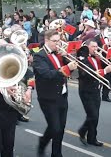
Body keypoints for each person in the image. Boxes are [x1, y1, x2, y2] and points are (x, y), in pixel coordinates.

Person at [32, 29, 78, 157]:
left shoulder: (59, 53)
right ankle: (43, 142)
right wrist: (66, 68)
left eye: (59, 41)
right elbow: (46, 74)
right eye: (55, 41)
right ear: (46, 41)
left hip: (62, 95)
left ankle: (56, 154)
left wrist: (68, 58)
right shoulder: (39, 56)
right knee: (55, 127)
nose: (58, 44)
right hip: (48, 97)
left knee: (60, 128)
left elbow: (72, 68)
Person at [77, 39, 111, 146]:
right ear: (87, 47)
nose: (96, 49)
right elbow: (87, 74)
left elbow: (107, 64)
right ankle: (82, 131)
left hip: (96, 89)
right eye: (93, 47)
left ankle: (92, 138)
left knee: (95, 116)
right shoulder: (82, 58)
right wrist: (105, 70)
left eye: (96, 46)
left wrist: (107, 59)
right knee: (92, 115)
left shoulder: (98, 57)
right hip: (86, 90)